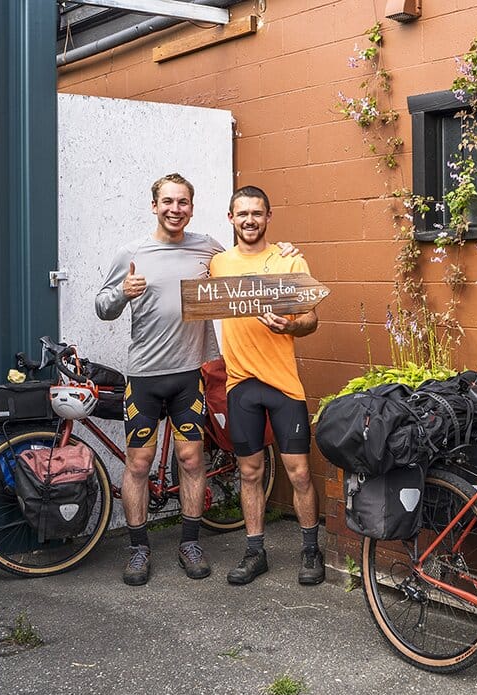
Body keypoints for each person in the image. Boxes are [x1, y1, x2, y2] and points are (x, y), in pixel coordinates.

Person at [93, 173, 222, 587]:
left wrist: (282, 253)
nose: (175, 209)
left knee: (191, 460)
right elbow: (102, 306)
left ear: (191, 207)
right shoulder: (132, 252)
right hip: (145, 376)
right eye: (167, 202)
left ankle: (189, 543)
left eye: (182, 202)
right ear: (154, 206)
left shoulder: (207, 247)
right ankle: (137, 549)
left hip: (190, 374)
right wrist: (122, 294)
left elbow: (247, 266)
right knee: (139, 464)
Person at [209, 185, 324, 587]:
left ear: (268, 217)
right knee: (249, 471)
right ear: (230, 218)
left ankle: (310, 549)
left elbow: (312, 320)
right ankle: (254, 551)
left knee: (300, 473)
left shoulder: (289, 261)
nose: (250, 220)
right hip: (241, 385)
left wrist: (291, 324)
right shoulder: (218, 264)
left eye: (257, 213)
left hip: (283, 385)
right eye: (242, 213)